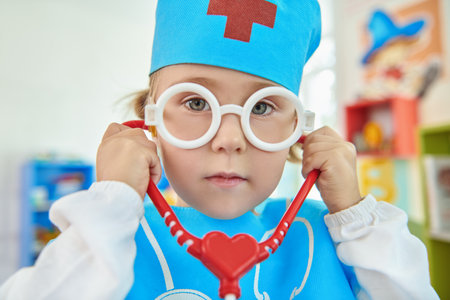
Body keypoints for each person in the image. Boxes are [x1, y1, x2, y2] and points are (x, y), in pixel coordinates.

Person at [0, 0, 439, 299]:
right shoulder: (113, 238)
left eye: (263, 106)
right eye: (195, 103)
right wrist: (110, 201)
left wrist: (356, 216)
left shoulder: (336, 241)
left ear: (297, 132)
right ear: (151, 121)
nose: (229, 139)